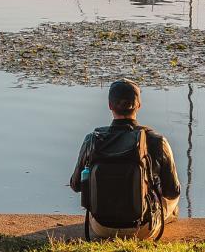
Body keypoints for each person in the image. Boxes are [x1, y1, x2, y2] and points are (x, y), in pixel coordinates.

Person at [70, 79, 180, 240]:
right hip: (141, 230)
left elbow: (76, 185)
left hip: (101, 227)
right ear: (139, 105)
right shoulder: (157, 140)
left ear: (110, 105)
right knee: (173, 199)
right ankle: (162, 217)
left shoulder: (92, 140)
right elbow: (172, 191)